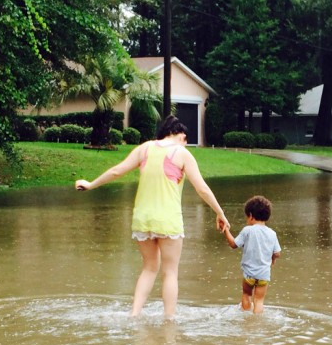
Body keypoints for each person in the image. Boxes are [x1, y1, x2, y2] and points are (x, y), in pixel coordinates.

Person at [75, 115, 230, 319]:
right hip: (168, 220)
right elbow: (201, 189)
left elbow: (117, 171)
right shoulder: (182, 153)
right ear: (181, 135)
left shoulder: (145, 148)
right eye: (186, 139)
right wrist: (220, 212)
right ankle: (169, 319)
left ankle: (134, 314)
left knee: (149, 268)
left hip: (143, 219)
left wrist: (90, 184)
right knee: (170, 272)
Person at [222, 195, 281, 314]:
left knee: (246, 295)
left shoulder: (247, 230)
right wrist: (272, 259)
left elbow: (234, 244)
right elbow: (277, 253)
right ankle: (257, 322)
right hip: (264, 274)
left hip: (249, 274)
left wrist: (226, 230)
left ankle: (246, 318)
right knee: (259, 300)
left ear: (250, 216)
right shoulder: (272, 233)